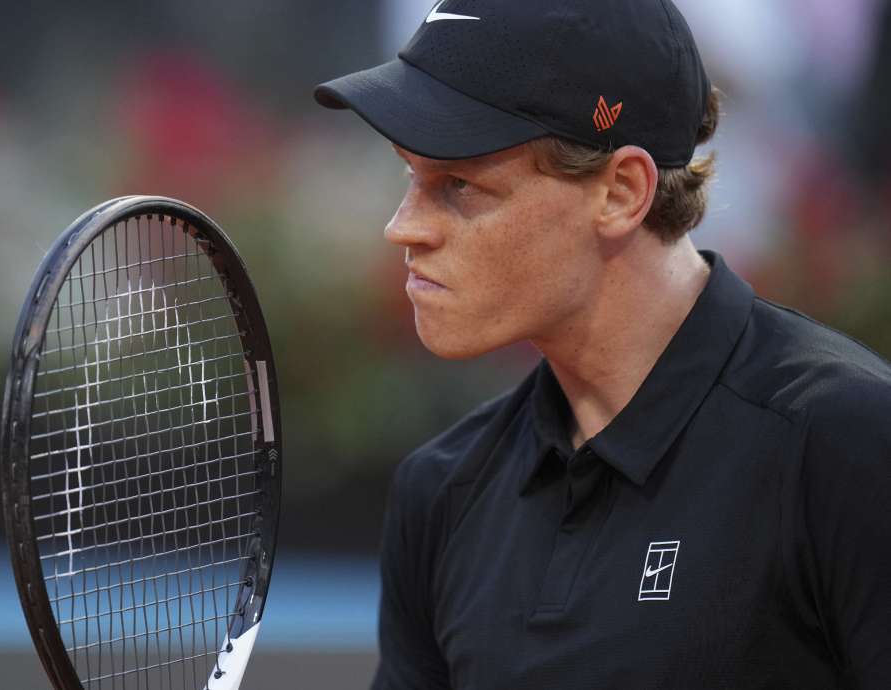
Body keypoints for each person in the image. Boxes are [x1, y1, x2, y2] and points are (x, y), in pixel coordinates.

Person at [313, 1, 891, 688]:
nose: (403, 228)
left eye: (459, 185)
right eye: (412, 176)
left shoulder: (847, 441)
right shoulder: (439, 492)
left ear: (621, 192)